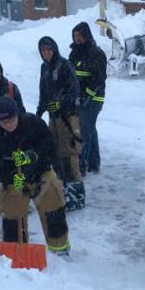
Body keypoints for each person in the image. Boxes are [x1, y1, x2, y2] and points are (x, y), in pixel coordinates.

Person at [0, 95, 70, 255]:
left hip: (40, 173)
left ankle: (60, 250)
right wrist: (10, 176)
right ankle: (16, 253)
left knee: (52, 205)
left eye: (10, 119)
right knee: (12, 212)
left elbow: (50, 146)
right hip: (14, 179)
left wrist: (34, 156)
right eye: (3, 122)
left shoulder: (33, 123)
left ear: (17, 114)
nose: (8, 124)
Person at [37, 36, 85, 210]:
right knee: (56, 153)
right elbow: (43, 92)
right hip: (53, 118)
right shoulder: (44, 68)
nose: (46, 53)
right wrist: (39, 111)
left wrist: (62, 103)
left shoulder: (64, 66)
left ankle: (77, 195)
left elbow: (74, 90)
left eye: (48, 49)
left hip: (68, 117)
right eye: (42, 50)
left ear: (54, 49)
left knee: (70, 153)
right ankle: (64, 191)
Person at [69, 21, 107, 176]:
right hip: (79, 98)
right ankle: (93, 163)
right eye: (75, 36)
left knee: (84, 132)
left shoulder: (96, 53)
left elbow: (99, 78)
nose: (77, 39)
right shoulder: (75, 53)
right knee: (90, 129)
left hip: (93, 99)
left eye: (80, 35)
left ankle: (80, 167)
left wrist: (87, 95)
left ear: (86, 35)